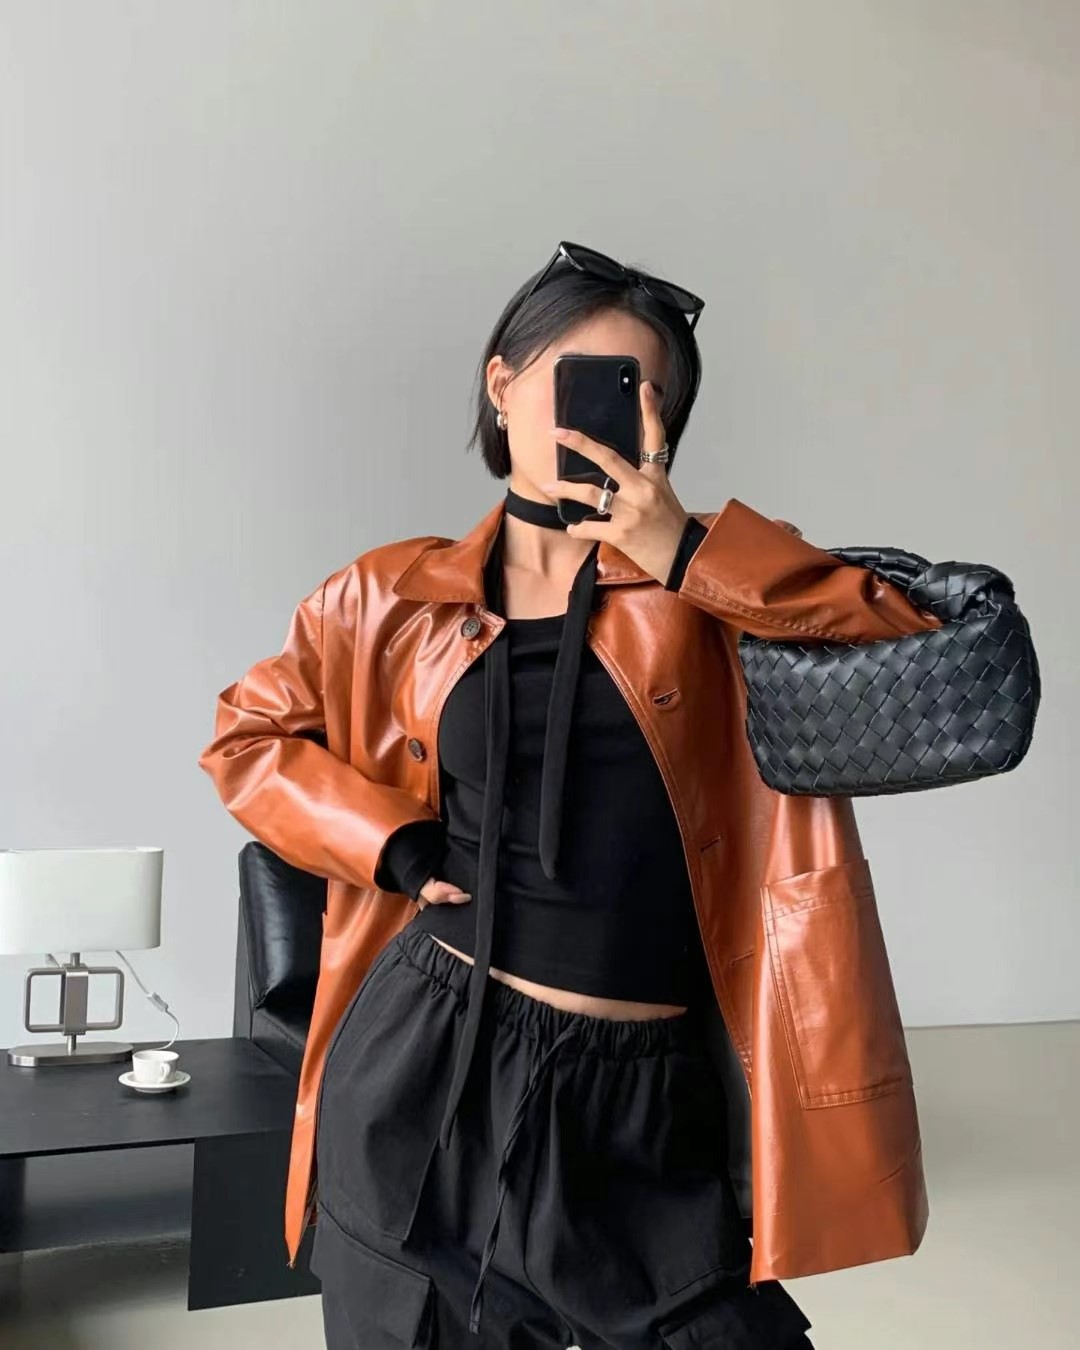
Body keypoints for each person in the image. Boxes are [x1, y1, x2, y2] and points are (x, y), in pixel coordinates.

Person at [200, 241, 938, 1348]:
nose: (610, 414)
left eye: (645, 391)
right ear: (502, 385)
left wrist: (687, 553)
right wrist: (393, 843)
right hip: (428, 1061)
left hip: (644, 1097)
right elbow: (248, 736)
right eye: (582, 379)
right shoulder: (390, 595)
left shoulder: (721, 590)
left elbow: (919, 651)